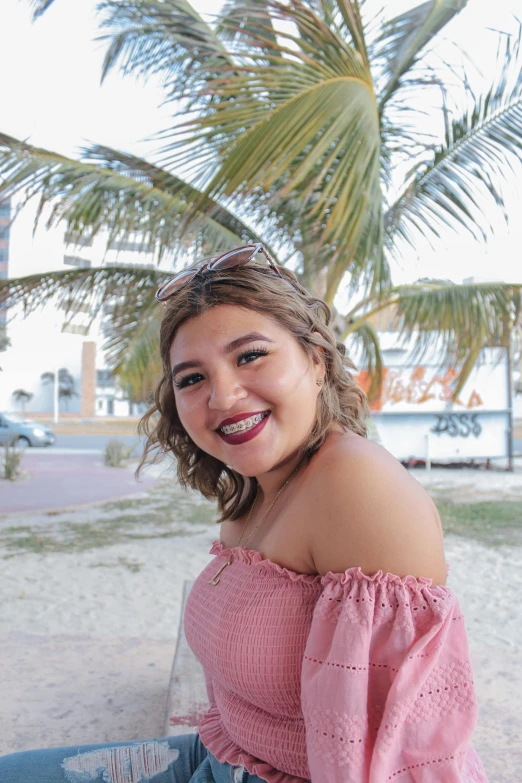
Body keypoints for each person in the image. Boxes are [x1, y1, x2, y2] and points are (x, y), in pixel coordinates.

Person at [0, 244, 489, 782]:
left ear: (317, 361)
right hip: (219, 757)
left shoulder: (356, 485)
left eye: (250, 355)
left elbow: (405, 751)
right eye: (192, 378)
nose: (224, 395)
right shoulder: (259, 488)